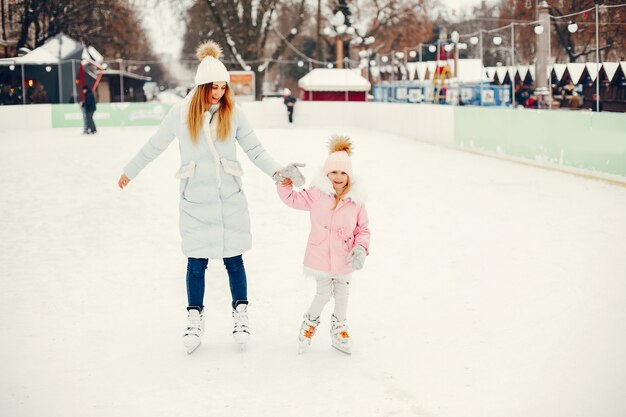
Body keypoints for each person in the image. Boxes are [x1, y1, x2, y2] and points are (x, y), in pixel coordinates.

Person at [117, 40, 304, 354]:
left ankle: (241, 314)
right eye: (213, 87)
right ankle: (194, 318)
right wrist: (130, 170)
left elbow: (255, 150)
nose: (218, 93)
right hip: (195, 201)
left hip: (229, 198)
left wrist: (278, 172)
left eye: (222, 87)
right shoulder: (179, 114)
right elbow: (154, 146)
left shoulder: (234, 112)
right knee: (196, 263)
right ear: (201, 86)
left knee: (234, 260)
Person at [276, 135, 371, 355]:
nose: (338, 177)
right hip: (320, 256)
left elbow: (363, 229)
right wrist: (285, 181)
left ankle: (339, 328)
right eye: (333, 172)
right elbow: (292, 199)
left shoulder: (356, 200)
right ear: (326, 174)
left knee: (343, 294)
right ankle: (309, 323)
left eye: (343, 172)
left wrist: (361, 248)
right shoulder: (317, 194)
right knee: (323, 294)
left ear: (349, 175)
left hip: (345, 257)